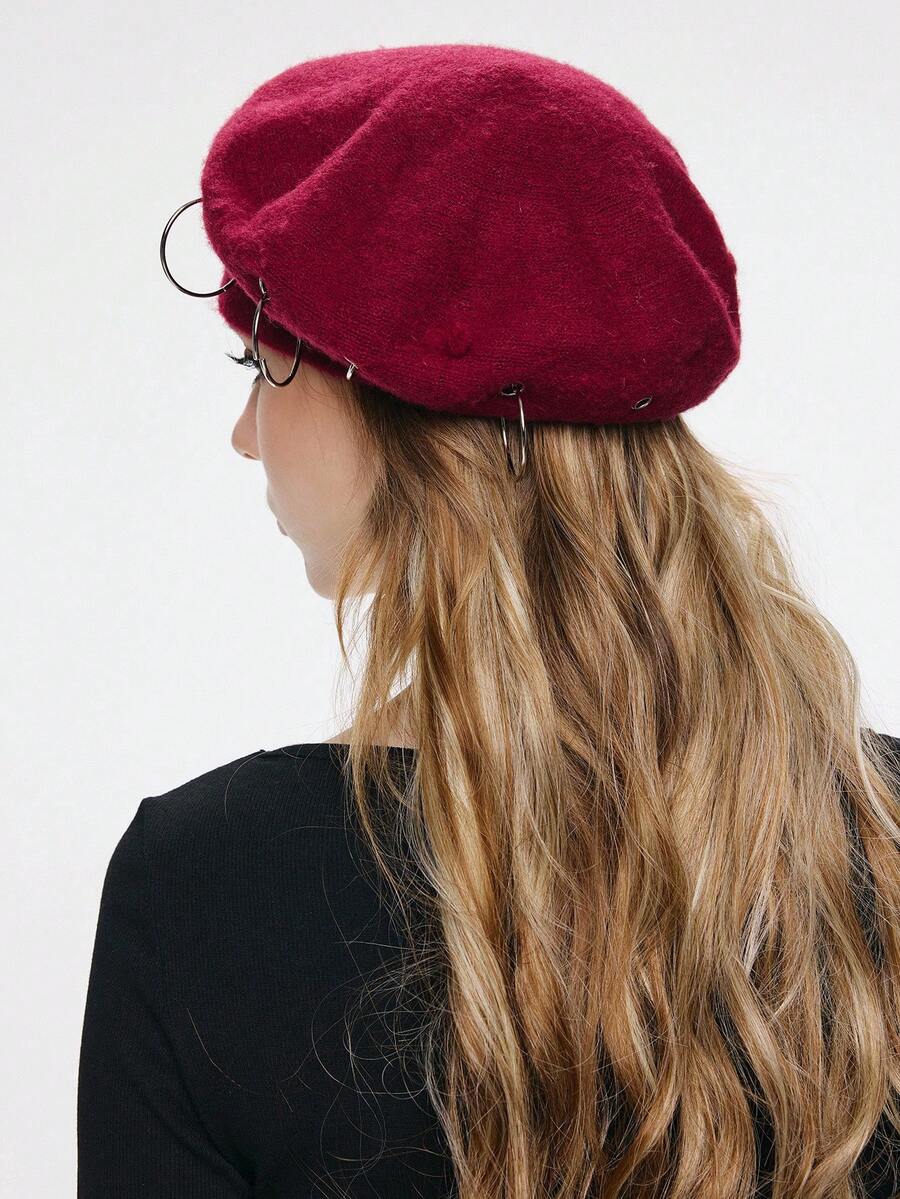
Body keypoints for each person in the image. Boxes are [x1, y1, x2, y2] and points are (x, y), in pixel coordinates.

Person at [77, 44, 900, 1198]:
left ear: (402, 418)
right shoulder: (877, 838)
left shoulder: (208, 885)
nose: (245, 434)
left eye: (263, 366)